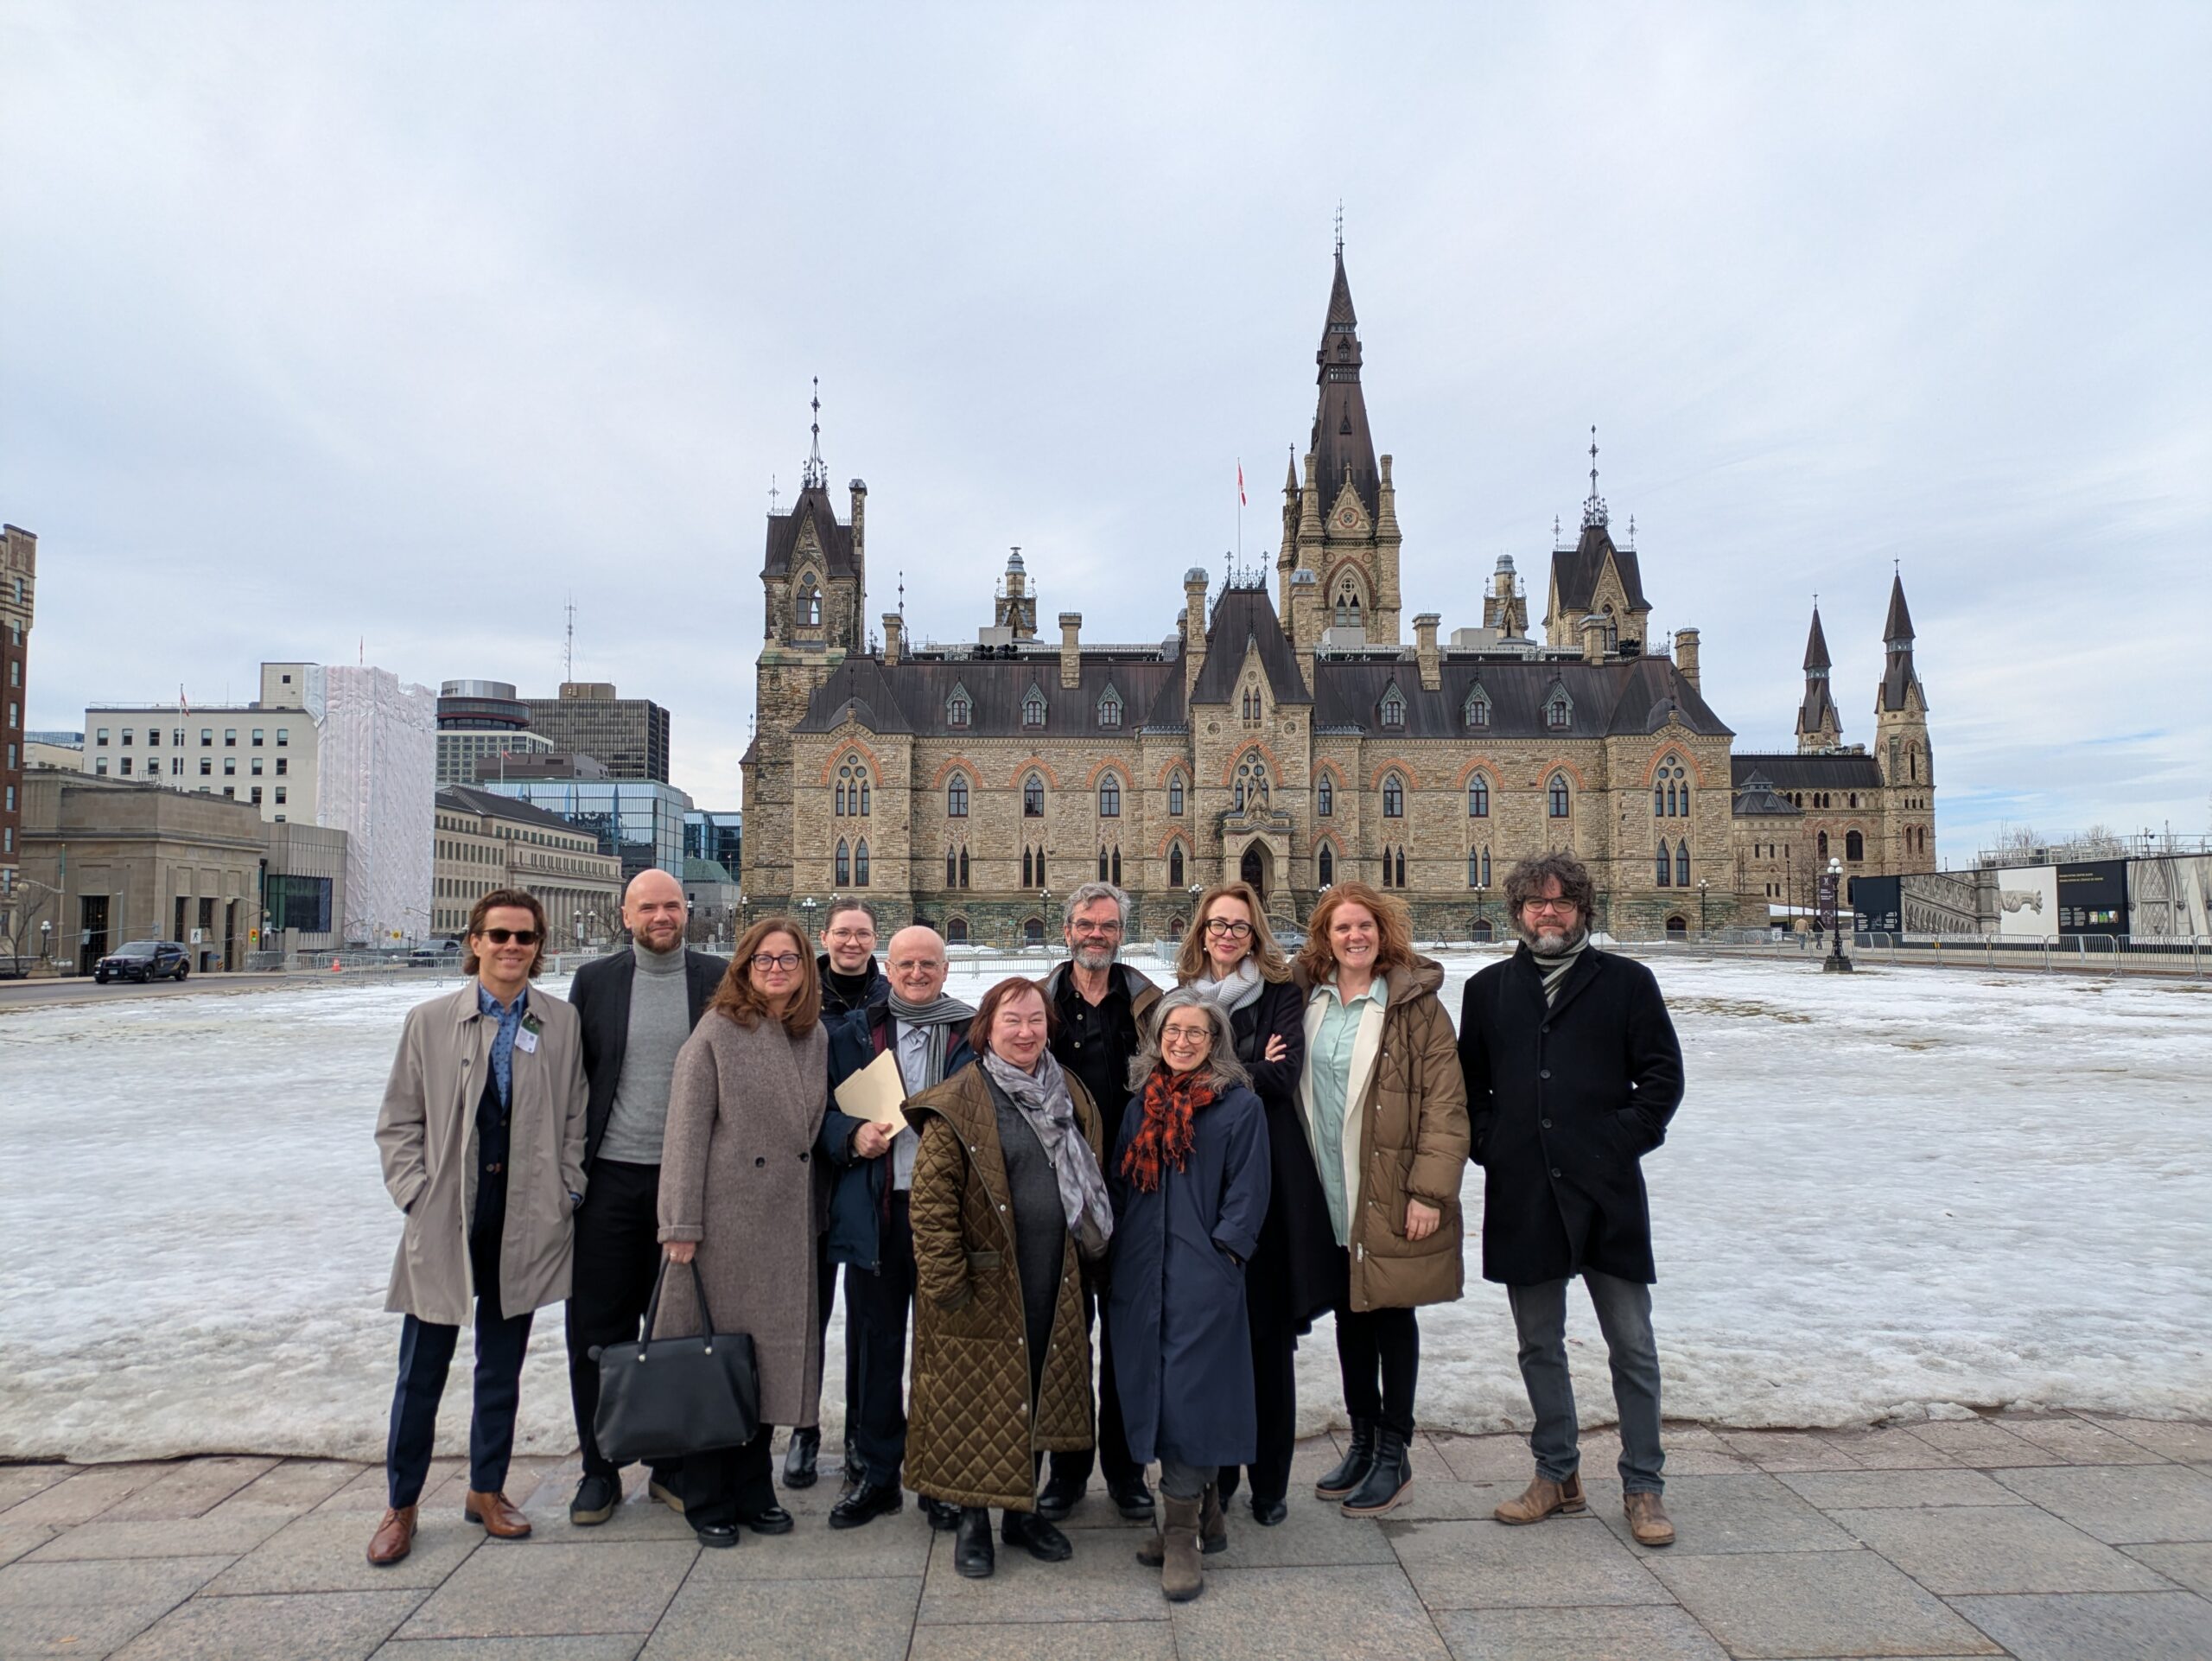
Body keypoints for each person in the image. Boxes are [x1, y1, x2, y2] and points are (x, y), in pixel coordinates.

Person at [1459, 851, 1683, 1548]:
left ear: (1584, 909)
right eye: (1536, 902)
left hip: (1608, 1194)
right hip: (1524, 1192)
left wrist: (1613, 1144)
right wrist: (1495, 1146)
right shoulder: (1488, 990)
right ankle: (1556, 1474)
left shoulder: (1628, 983)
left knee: (1633, 1346)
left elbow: (1662, 1081)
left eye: (1561, 902)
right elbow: (1471, 1090)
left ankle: (1643, 1484)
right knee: (1538, 1344)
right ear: (1518, 912)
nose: (1548, 913)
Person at [369, 889, 587, 1567]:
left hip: (524, 1214)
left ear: (539, 947)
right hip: (447, 1215)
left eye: (524, 937)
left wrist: (567, 1189)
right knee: (421, 1371)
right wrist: (416, 1196)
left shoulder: (560, 1021)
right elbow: (398, 1122)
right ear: (475, 942)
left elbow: (575, 1116)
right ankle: (401, 1504)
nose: (511, 947)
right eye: (499, 935)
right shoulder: (429, 1021)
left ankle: (486, 1490)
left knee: (501, 1367)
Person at [905, 977, 1115, 1580]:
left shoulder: (1066, 1090)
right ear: (987, 1030)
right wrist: (946, 1280)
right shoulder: (960, 1099)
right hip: (985, 1277)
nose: (1026, 1032)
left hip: (1055, 1271)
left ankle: (1022, 1514)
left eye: (1035, 1020)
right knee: (976, 1397)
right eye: (1012, 1022)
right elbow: (932, 1202)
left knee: (1040, 1386)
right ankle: (973, 1522)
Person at [1293, 880, 1469, 1518]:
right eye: (1341, 927)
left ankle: (1395, 1452)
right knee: (1350, 1314)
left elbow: (1446, 1106)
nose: (1354, 937)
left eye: (1364, 926)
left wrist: (1429, 1192)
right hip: (1328, 1185)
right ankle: (1363, 1440)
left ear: (1382, 931)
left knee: (1391, 1314)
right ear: (1325, 937)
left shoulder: (1415, 1005)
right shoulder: (1306, 998)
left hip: (1391, 1187)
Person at [653, 918, 828, 1548]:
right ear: (745, 967)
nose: (777, 969)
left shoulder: (812, 1035)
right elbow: (685, 1133)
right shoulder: (717, 1032)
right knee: (716, 1361)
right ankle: (705, 1493)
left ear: (805, 970)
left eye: (789, 959)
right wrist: (680, 1224)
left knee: (768, 1361)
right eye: (764, 959)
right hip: (725, 1222)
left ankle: (755, 1487)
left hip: (785, 1219)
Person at [563, 870, 728, 1525]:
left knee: (677, 1330)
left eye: (672, 906)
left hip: (690, 1181)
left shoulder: (718, 978)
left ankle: (669, 1465)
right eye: (649, 907)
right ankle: (599, 1468)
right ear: (626, 916)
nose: (663, 916)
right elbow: (575, 1078)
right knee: (597, 1331)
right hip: (611, 1178)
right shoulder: (595, 982)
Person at [1173, 881, 1336, 1526]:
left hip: (1267, 1179)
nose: (1227, 935)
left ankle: (1269, 1485)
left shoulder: (1279, 994)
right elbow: (1168, 1073)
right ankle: (1217, 1479)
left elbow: (1281, 1074)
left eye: (1239, 926)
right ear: (1201, 931)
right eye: (1217, 924)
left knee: (1266, 1342)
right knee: (1214, 1340)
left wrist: (1215, 1067)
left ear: (1255, 934)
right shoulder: (1180, 997)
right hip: (1199, 1182)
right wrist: (1247, 1060)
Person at [1108, 989, 1270, 1602]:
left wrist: (1225, 1253)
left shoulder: (1238, 1107)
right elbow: (1122, 1183)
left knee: (1188, 1399)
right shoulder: (1140, 1107)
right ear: (1157, 1039)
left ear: (1215, 1041)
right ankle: (1208, 1514)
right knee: (1153, 1392)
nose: (1182, 1042)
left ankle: (1179, 1537)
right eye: (1172, 1031)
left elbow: (1249, 1193)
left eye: (1195, 1032)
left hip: (1203, 1275)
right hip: (1142, 1273)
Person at [820, 924, 975, 1531]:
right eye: (906, 964)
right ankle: (879, 1474)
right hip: (878, 1210)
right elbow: (819, 1113)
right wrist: (849, 1135)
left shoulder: (970, 1032)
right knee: (877, 1346)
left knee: (943, 1351)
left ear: (945, 970)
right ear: (889, 968)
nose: (916, 974)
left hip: (945, 1217)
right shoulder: (854, 1034)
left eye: (928, 965)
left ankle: (940, 1476)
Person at [1037, 881, 1160, 1523]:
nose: (1096, 935)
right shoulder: (1039, 1005)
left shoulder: (1147, 1005)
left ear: (1121, 934)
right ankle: (1067, 1469)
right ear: (1067, 931)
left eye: (1107, 926)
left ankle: (1127, 1470)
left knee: (1128, 1341)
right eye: (1086, 924)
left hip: (1131, 1194)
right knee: (1065, 1339)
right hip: (1059, 1198)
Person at [792, 899, 887, 1487]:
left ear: (876, 939)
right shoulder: (796, 998)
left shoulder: (891, 1000)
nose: (852, 943)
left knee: (869, 1319)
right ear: (823, 936)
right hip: (806, 1174)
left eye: (863, 934)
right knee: (807, 1312)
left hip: (868, 1170)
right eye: (842, 933)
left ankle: (860, 1433)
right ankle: (803, 1428)